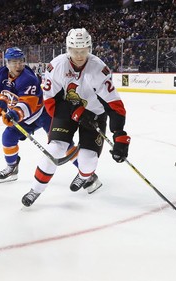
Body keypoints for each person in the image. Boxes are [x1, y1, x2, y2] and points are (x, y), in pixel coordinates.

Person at [21, 28, 131, 207]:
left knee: (88, 161)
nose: (79, 55)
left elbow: (114, 104)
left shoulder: (99, 69)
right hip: (65, 112)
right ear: (68, 49)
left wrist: (119, 133)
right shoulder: (56, 66)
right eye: (75, 51)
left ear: (89, 48)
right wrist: (75, 111)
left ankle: (83, 175)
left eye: (83, 50)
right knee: (54, 150)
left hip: (94, 114)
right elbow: (49, 102)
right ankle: (35, 190)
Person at [0, 47, 100, 190]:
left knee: (63, 143)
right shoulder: (0, 74)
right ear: (7, 62)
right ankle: (12, 167)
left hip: (43, 114)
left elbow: (28, 103)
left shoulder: (28, 78)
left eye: (20, 61)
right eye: (14, 62)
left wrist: (14, 113)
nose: (18, 65)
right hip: (23, 119)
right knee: (8, 137)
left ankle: (88, 174)